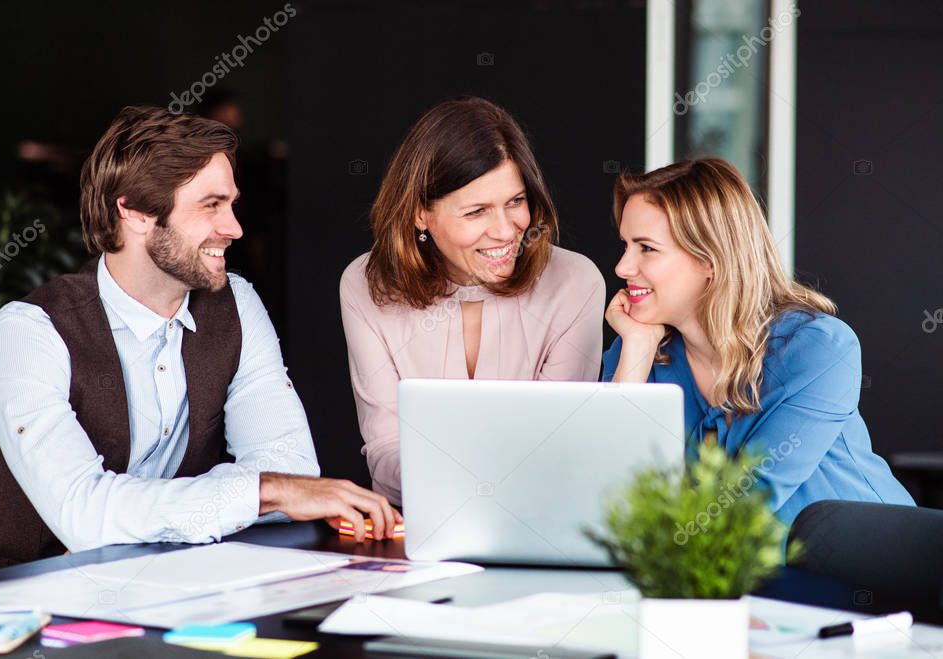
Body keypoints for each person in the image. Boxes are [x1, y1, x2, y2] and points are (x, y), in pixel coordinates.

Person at [0, 106, 399, 575]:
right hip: (24, 608)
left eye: (231, 204)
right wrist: (258, 491)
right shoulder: (28, 332)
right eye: (210, 205)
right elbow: (83, 516)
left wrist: (137, 516)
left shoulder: (237, 304)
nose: (234, 228)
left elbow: (292, 471)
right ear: (133, 211)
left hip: (172, 590)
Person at [602, 158, 913, 526]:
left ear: (711, 260)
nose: (622, 267)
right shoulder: (637, 349)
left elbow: (749, 503)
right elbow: (605, 495)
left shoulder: (817, 348)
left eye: (646, 248)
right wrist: (636, 351)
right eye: (625, 245)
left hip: (866, 567)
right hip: (718, 575)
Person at [340, 96, 606, 505]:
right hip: (418, 528)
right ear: (419, 215)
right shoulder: (365, 284)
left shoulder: (575, 282)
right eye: (477, 211)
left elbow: (557, 448)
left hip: (538, 521)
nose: (505, 231)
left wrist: (446, 470)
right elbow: (385, 451)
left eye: (515, 202)